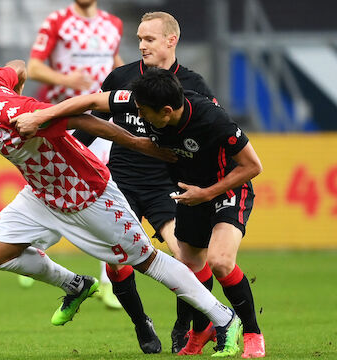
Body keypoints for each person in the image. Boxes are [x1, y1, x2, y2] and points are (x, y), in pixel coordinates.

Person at [0, 54, 243, 357]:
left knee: (148, 261)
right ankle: (76, 286)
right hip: (42, 194)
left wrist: (136, 144)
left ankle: (224, 317)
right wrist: (16, 83)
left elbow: (81, 119)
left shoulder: (15, 114)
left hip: (86, 192)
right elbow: (17, 66)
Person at [11, 68, 265, 358]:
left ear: (167, 111)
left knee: (219, 262)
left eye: (144, 113)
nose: (139, 118)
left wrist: (206, 193)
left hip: (225, 189)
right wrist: (42, 116)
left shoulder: (212, 119)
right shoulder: (141, 99)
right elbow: (91, 103)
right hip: (187, 191)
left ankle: (253, 334)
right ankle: (197, 333)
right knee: (191, 264)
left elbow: (253, 166)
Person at [70, 11, 219, 353]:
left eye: (149, 39)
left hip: (169, 183)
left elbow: (214, 134)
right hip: (121, 181)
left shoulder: (194, 85)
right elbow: (93, 122)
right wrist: (73, 153)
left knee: (187, 258)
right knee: (116, 260)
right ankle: (142, 323)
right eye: (139, 39)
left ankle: (185, 324)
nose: (141, 46)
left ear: (171, 40)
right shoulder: (121, 77)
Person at [26, 0, 124, 312]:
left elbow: (116, 65)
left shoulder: (113, 24)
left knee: (104, 191)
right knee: (58, 191)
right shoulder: (57, 21)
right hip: (61, 121)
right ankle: (33, 246)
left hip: (99, 120)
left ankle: (108, 282)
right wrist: (69, 81)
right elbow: (34, 67)